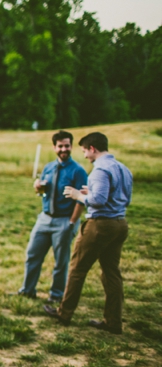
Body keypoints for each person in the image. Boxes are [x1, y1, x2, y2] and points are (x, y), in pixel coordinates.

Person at [43, 132, 133, 335]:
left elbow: (99, 201)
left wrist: (77, 195)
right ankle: (113, 322)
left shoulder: (100, 169)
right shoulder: (122, 168)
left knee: (77, 268)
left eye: (84, 150)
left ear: (92, 148)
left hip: (100, 225)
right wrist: (89, 193)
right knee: (111, 272)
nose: (84, 155)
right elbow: (123, 197)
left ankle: (64, 314)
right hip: (120, 224)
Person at [16, 130, 88, 302]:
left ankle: (56, 296)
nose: (64, 149)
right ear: (54, 147)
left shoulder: (78, 171)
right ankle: (27, 290)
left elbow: (81, 200)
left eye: (67, 146)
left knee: (60, 262)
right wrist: (37, 187)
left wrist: (72, 222)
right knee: (32, 255)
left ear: (71, 146)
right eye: (60, 146)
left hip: (64, 220)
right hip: (45, 218)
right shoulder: (48, 167)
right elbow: (43, 191)